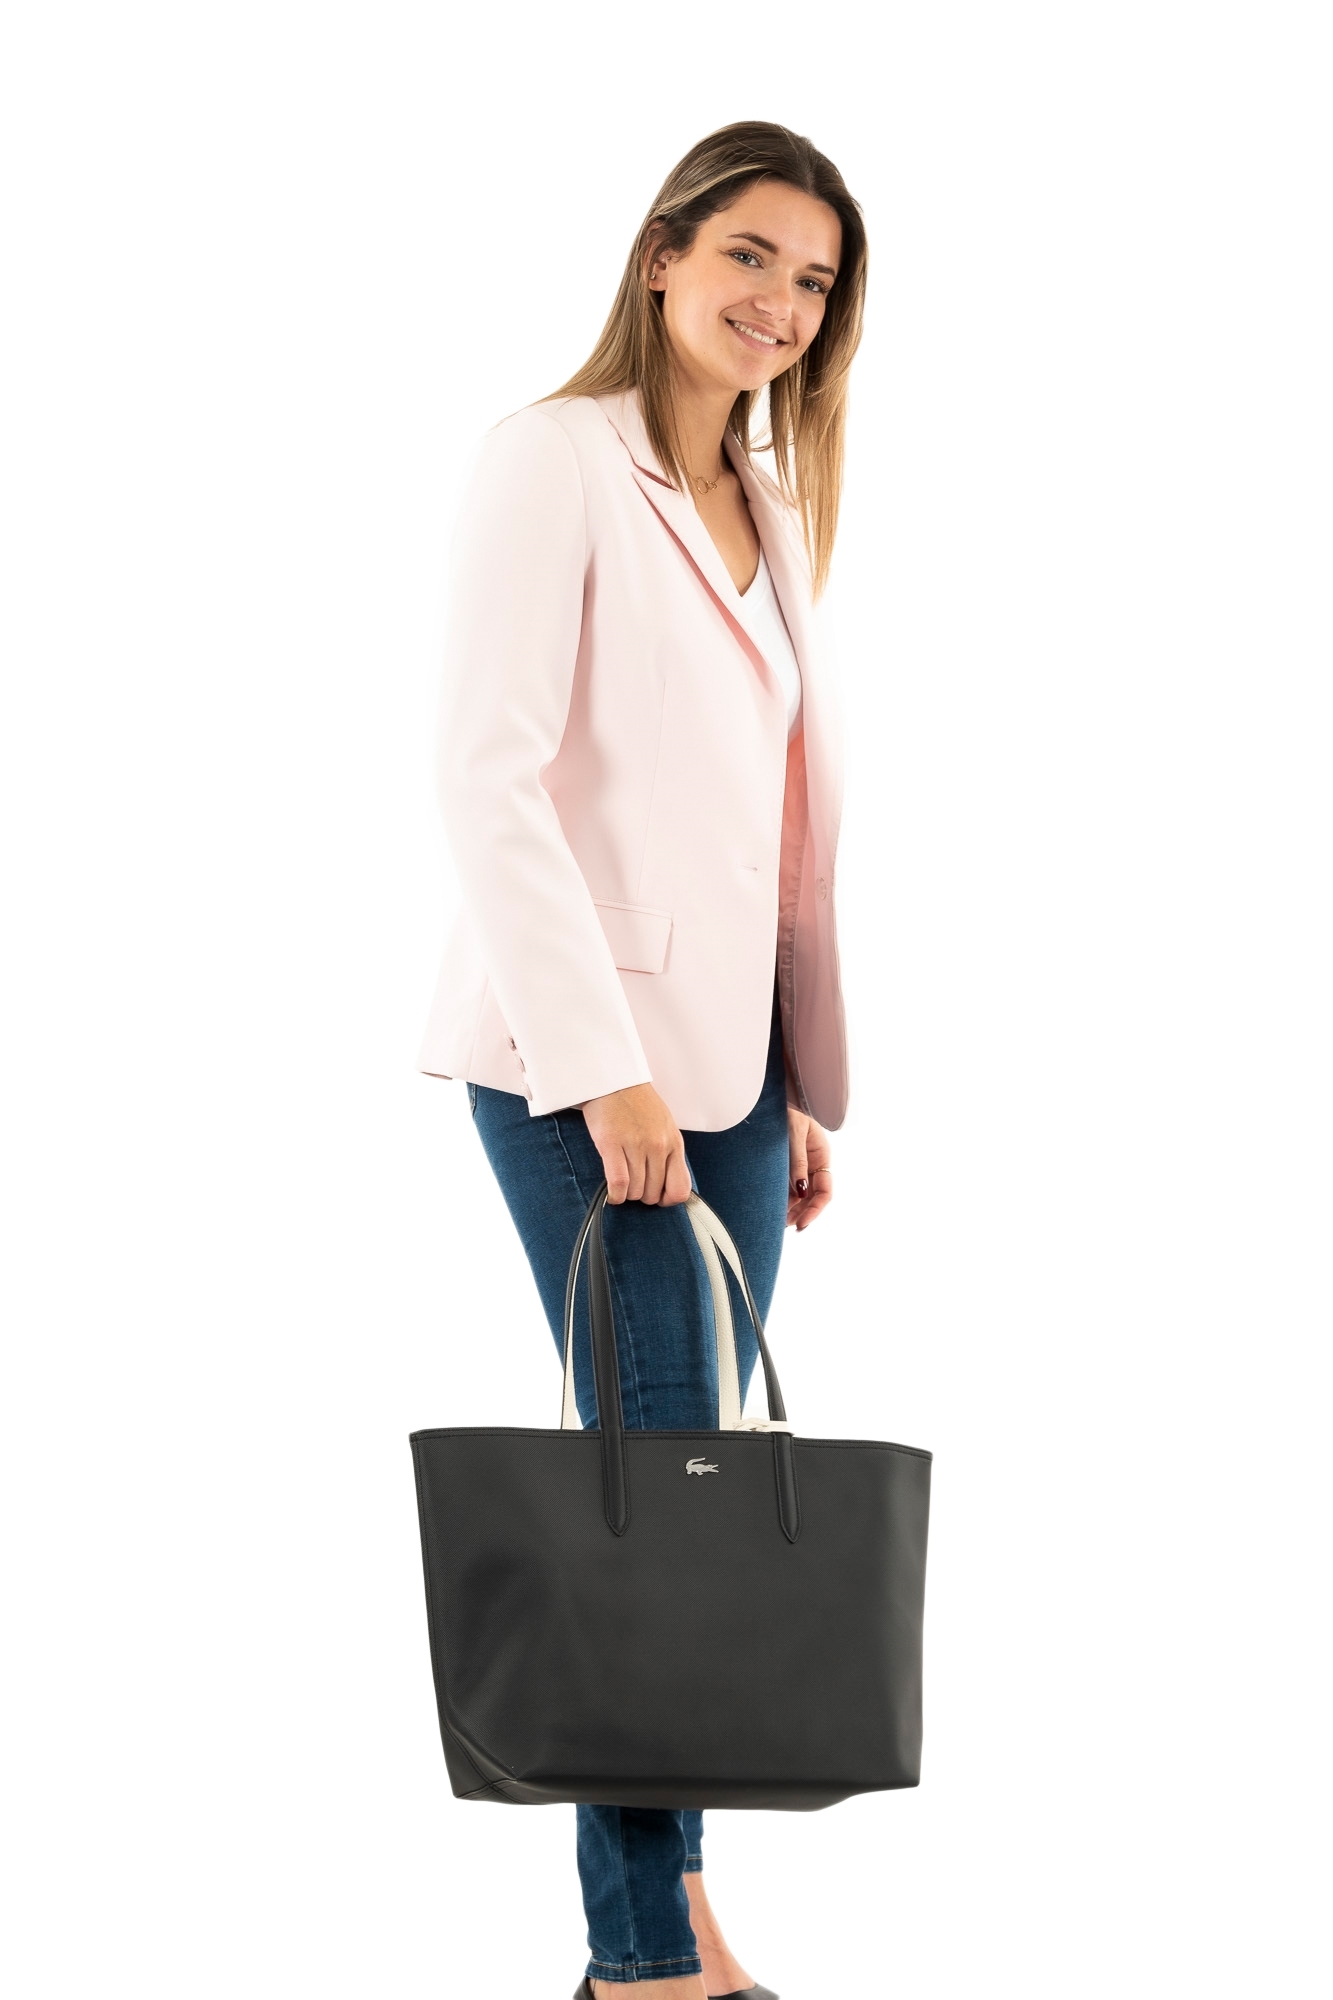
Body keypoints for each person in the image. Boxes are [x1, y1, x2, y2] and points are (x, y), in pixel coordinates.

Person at [418, 119, 867, 1999]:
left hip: (733, 1068)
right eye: (750, 255)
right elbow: (488, 776)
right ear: (665, 250)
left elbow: (760, 818)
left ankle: (671, 1921)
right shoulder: (554, 461)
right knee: (646, 1476)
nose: (779, 303)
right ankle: (640, 1959)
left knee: (683, 1490)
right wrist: (600, 1071)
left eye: (814, 281)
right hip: (578, 1057)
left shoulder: (765, 502)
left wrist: (789, 1074)